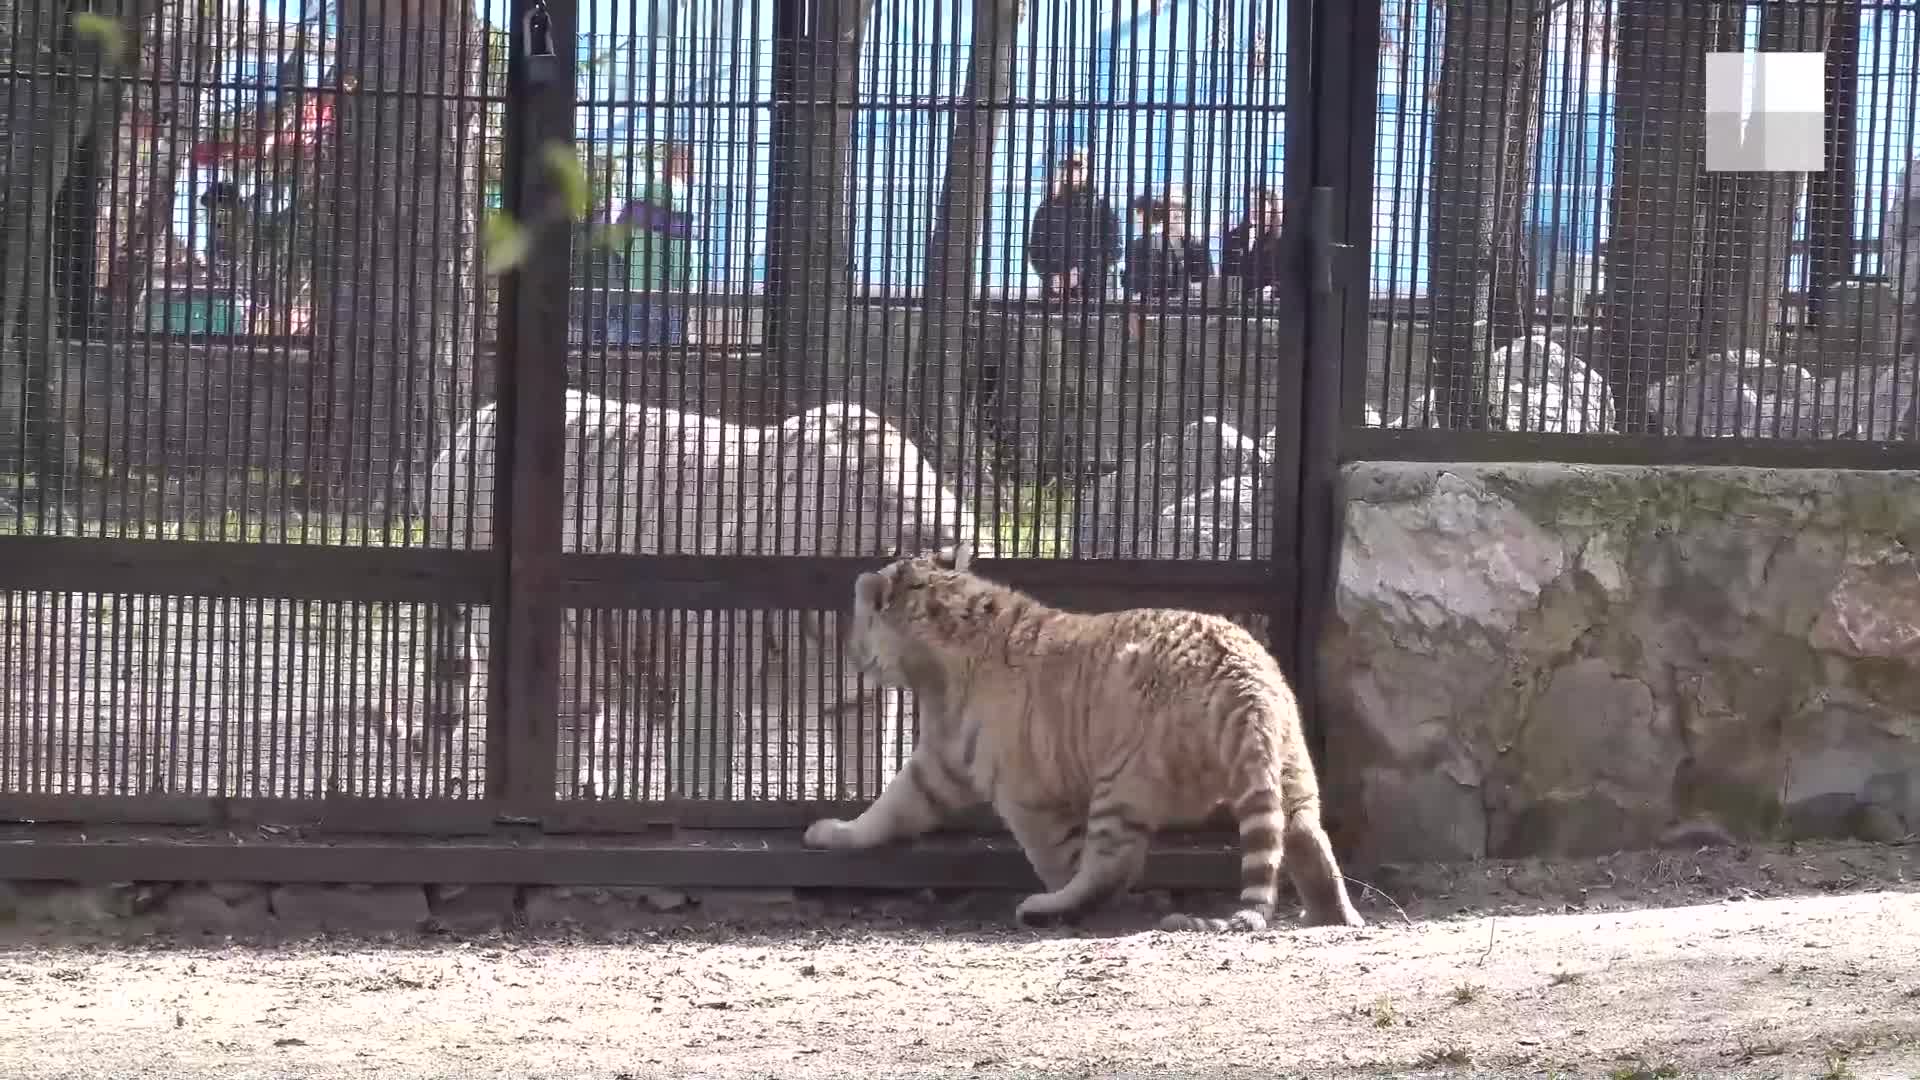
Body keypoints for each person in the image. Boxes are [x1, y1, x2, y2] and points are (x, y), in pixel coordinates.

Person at [1026, 148, 1121, 301]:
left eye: (1077, 166)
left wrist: (1080, 273)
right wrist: (1052, 277)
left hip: (1094, 293)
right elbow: (1035, 249)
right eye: (1064, 166)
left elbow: (1114, 250)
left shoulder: (1103, 209)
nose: (1070, 170)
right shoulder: (1047, 208)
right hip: (1055, 293)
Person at [1124, 188, 1212, 318]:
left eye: (1180, 207)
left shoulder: (1197, 245)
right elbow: (1136, 285)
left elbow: (1208, 283)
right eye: (1170, 206)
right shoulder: (1142, 244)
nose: (1175, 211)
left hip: (1189, 314)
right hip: (1154, 313)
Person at [1221, 184, 1284, 297]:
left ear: (1272, 208)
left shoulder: (1282, 238)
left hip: (1270, 303)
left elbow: (1290, 278)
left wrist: (1273, 290)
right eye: (1250, 204)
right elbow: (1228, 272)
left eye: (1258, 204)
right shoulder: (1234, 235)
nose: (1254, 209)